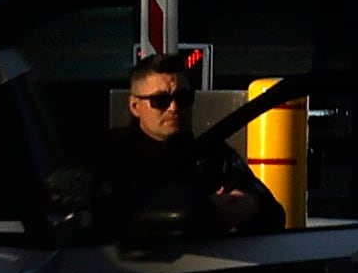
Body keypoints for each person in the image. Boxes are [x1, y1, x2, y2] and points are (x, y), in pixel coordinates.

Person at [108, 57, 283, 246]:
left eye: (183, 98)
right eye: (160, 100)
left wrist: (250, 203)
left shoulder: (212, 154)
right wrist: (203, 209)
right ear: (135, 106)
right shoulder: (111, 155)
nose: (174, 108)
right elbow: (110, 217)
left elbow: (275, 214)